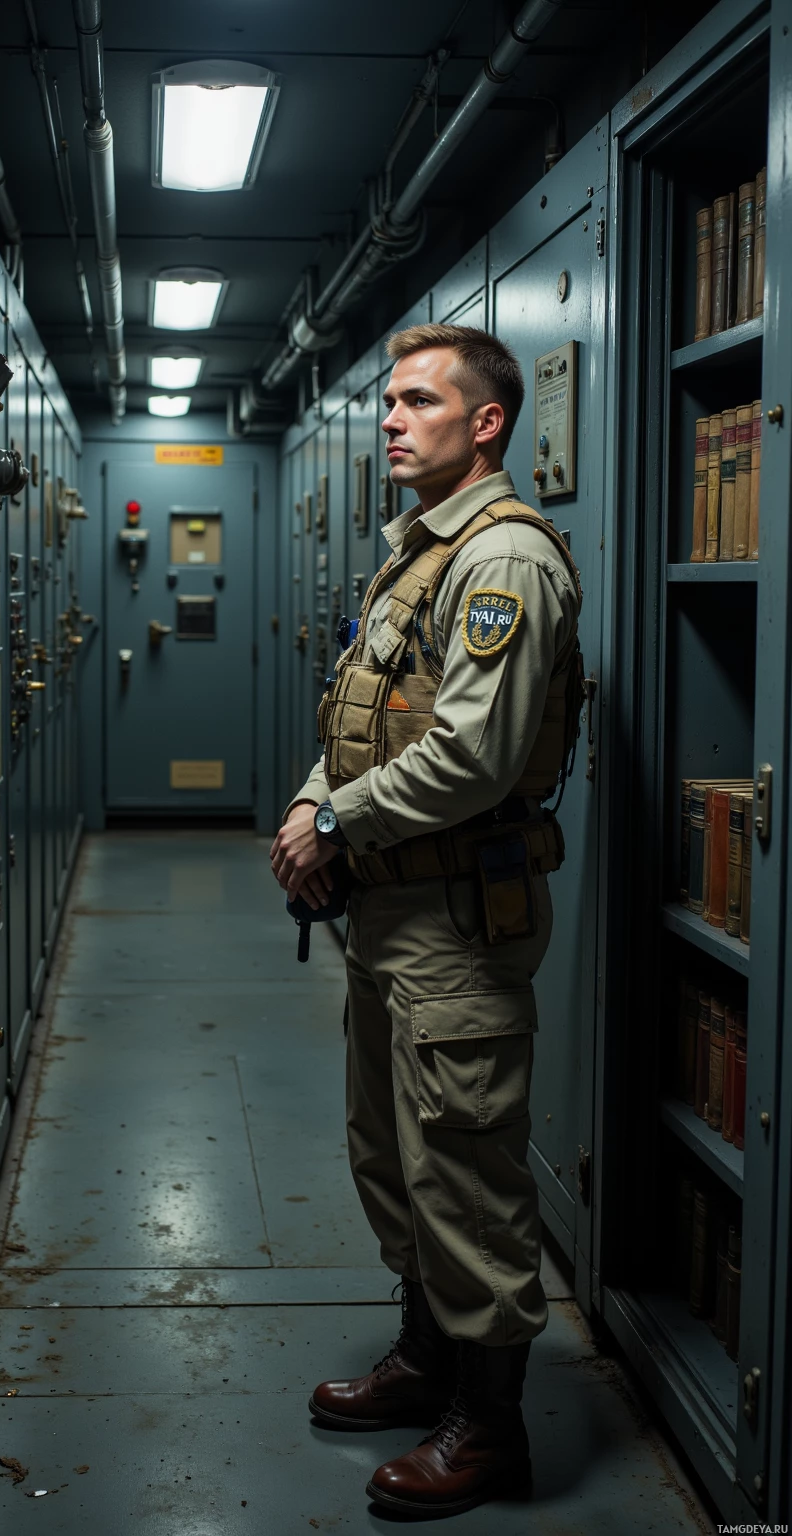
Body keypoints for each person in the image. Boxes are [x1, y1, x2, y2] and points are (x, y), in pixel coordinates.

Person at [269, 323, 583, 1519]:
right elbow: (363, 704)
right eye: (388, 402)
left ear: (486, 422)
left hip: (456, 914)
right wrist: (313, 804)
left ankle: (489, 1428)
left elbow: (471, 755)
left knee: (463, 1171)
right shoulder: (418, 554)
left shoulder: (502, 560)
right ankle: (426, 1361)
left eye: (417, 402)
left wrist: (335, 827)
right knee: (394, 1154)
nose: (390, 421)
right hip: (395, 911)